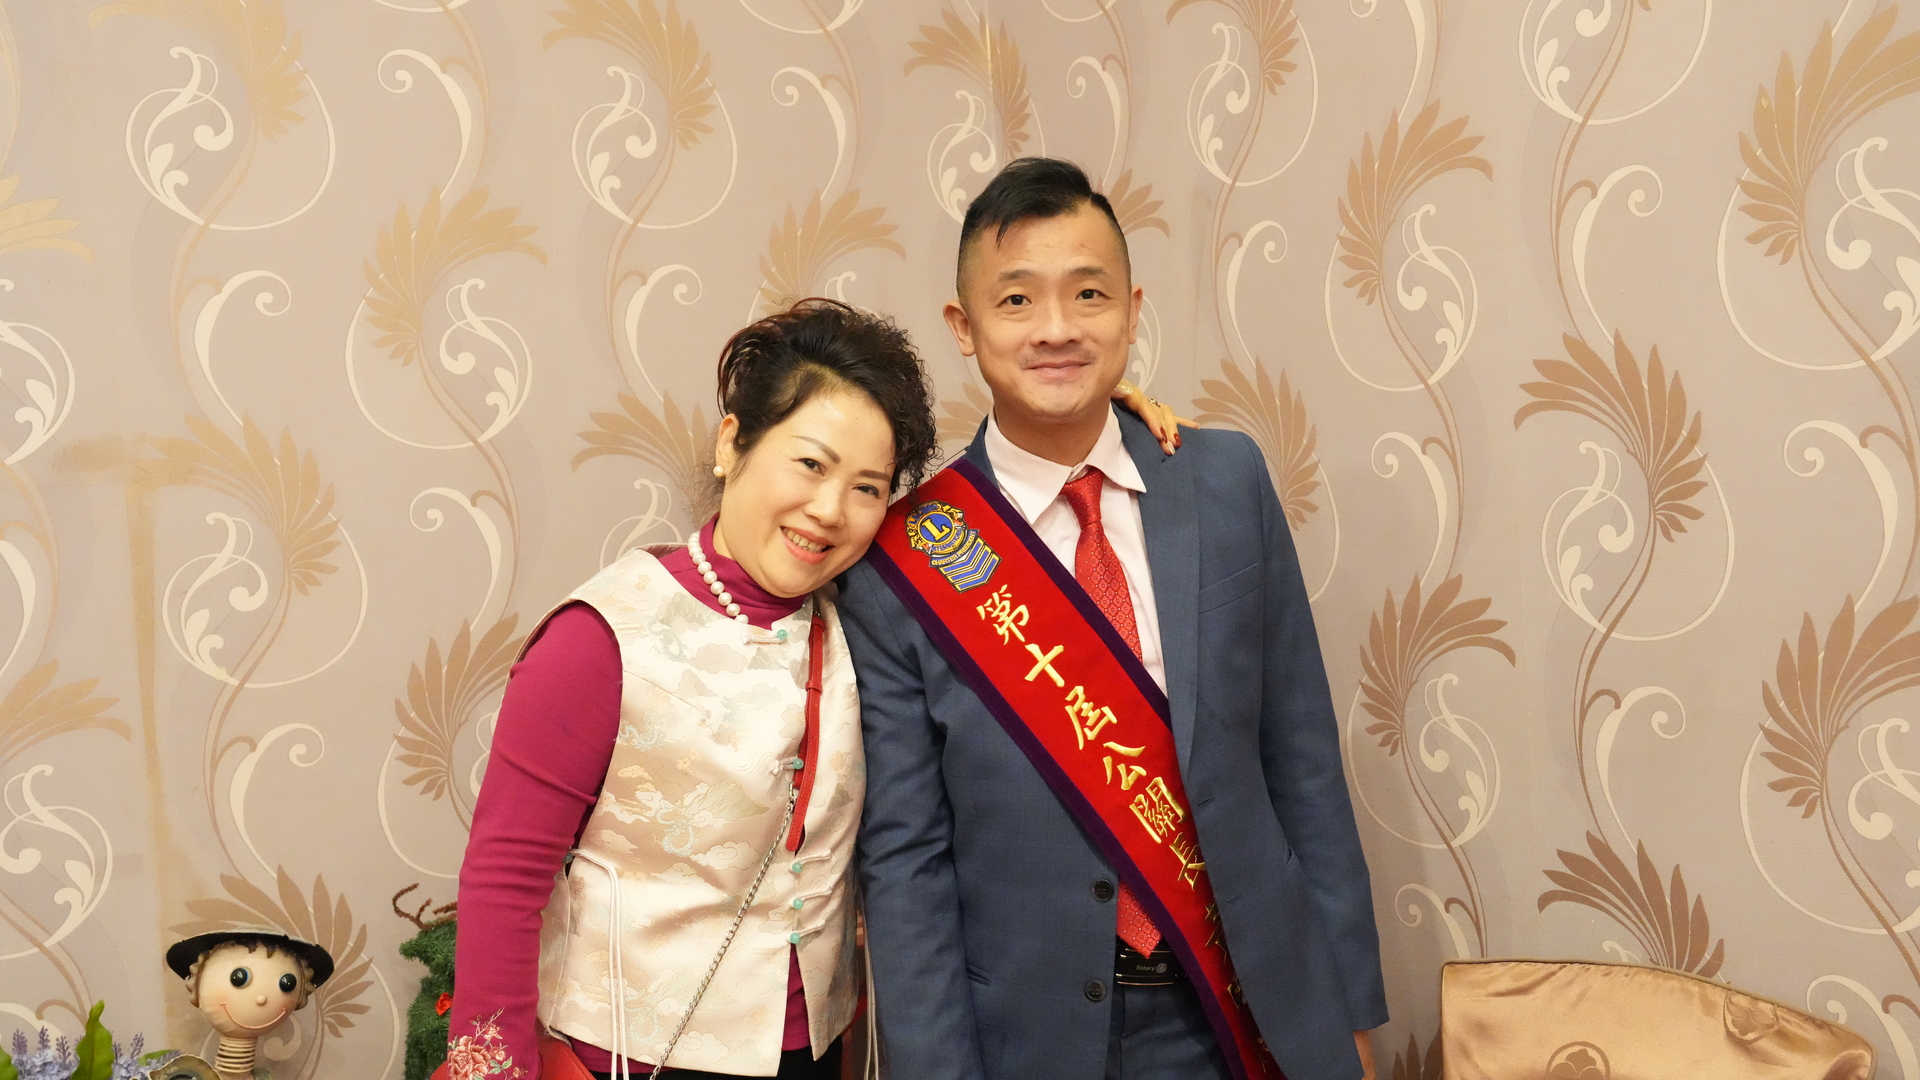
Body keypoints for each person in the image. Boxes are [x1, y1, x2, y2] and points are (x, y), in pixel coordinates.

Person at [443, 296, 1184, 1080]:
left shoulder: (867, 618)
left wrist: (1103, 427)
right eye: (810, 465)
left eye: (867, 487)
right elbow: (505, 881)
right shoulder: (601, 638)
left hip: (820, 1052)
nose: (829, 511)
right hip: (623, 1058)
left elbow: (1005, 539)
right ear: (732, 443)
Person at [836, 158, 1388, 1080]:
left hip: (1247, 1015)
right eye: (1017, 300)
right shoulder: (909, 561)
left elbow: (1303, 767)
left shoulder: (1225, 482)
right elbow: (907, 865)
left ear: (1132, 311)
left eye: (1088, 293)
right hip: (1030, 1038)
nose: (1056, 328)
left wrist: (1349, 1016)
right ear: (964, 327)